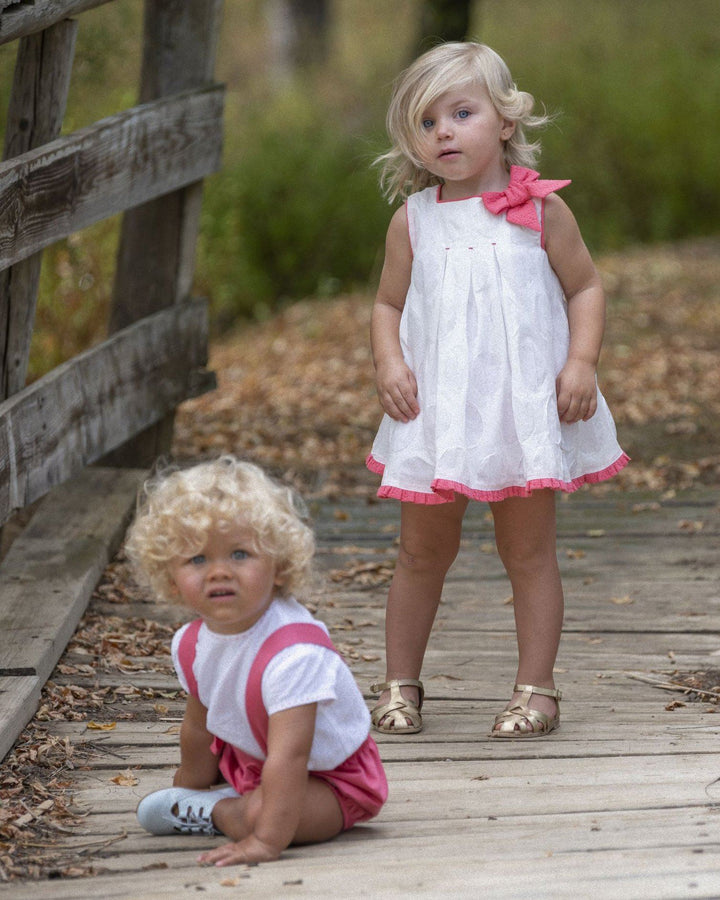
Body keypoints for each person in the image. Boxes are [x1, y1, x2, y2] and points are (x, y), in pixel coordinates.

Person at [366, 42, 628, 739]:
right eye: (426, 122)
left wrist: (582, 361)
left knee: (529, 551)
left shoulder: (541, 211)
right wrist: (388, 360)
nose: (443, 131)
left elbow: (586, 287)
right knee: (420, 551)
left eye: (461, 112)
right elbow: (388, 304)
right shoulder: (413, 221)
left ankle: (536, 689)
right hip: (436, 413)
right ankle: (400, 684)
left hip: (520, 411)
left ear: (506, 122)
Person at [125, 456, 387, 866]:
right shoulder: (192, 643)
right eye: (197, 559)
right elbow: (198, 726)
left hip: (335, 781)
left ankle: (217, 812)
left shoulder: (294, 654)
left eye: (240, 554)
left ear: (279, 565)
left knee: (262, 815)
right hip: (255, 763)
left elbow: (291, 756)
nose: (219, 572)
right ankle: (208, 800)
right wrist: (185, 787)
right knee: (256, 794)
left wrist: (265, 841)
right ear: (170, 578)